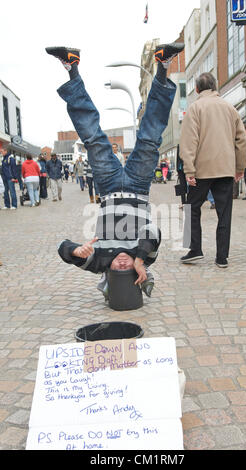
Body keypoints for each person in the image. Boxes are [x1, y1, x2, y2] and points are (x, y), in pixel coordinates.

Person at [45, 42, 184, 302]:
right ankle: (163, 66)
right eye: (128, 270)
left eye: (116, 270)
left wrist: (77, 251)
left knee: (93, 137)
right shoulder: (145, 256)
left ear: (106, 273)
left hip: (108, 186)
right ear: (138, 271)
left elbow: (61, 249)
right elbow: (154, 232)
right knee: (150, 137)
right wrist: (140, 259)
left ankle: (71, 67)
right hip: (139, 185)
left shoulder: (99, 259)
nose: (122, 264)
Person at [179, 72, 246, 268]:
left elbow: (189, 141)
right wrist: (239, 167)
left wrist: (189, 171)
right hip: (225, 169)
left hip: (202, 170)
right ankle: (222, 257)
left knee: (191, 208)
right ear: (215, 87)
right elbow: (241, 140)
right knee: (224, 212)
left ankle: (194, 249)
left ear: (198, 89)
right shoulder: (230, 108)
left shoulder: (195, 108)